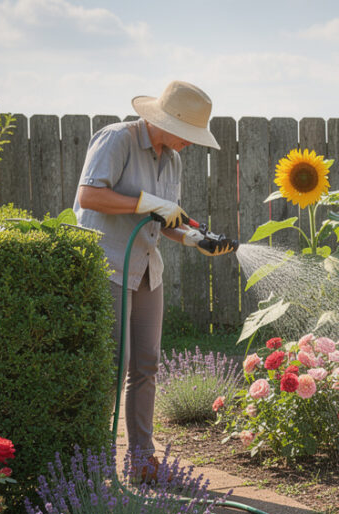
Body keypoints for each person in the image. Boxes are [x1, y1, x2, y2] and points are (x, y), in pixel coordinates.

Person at [74, 79, 235, 479]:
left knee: (146, 364)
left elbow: (163, 221)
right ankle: (94, 464)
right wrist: (147, 202)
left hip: (147, 269)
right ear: (167, 122)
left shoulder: (174, 159)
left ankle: (141, 460)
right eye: (190, 136)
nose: (192, 144)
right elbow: (89, 196)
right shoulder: (117, 140)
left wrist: (194, 238)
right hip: (108, 264)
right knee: (113, 363)